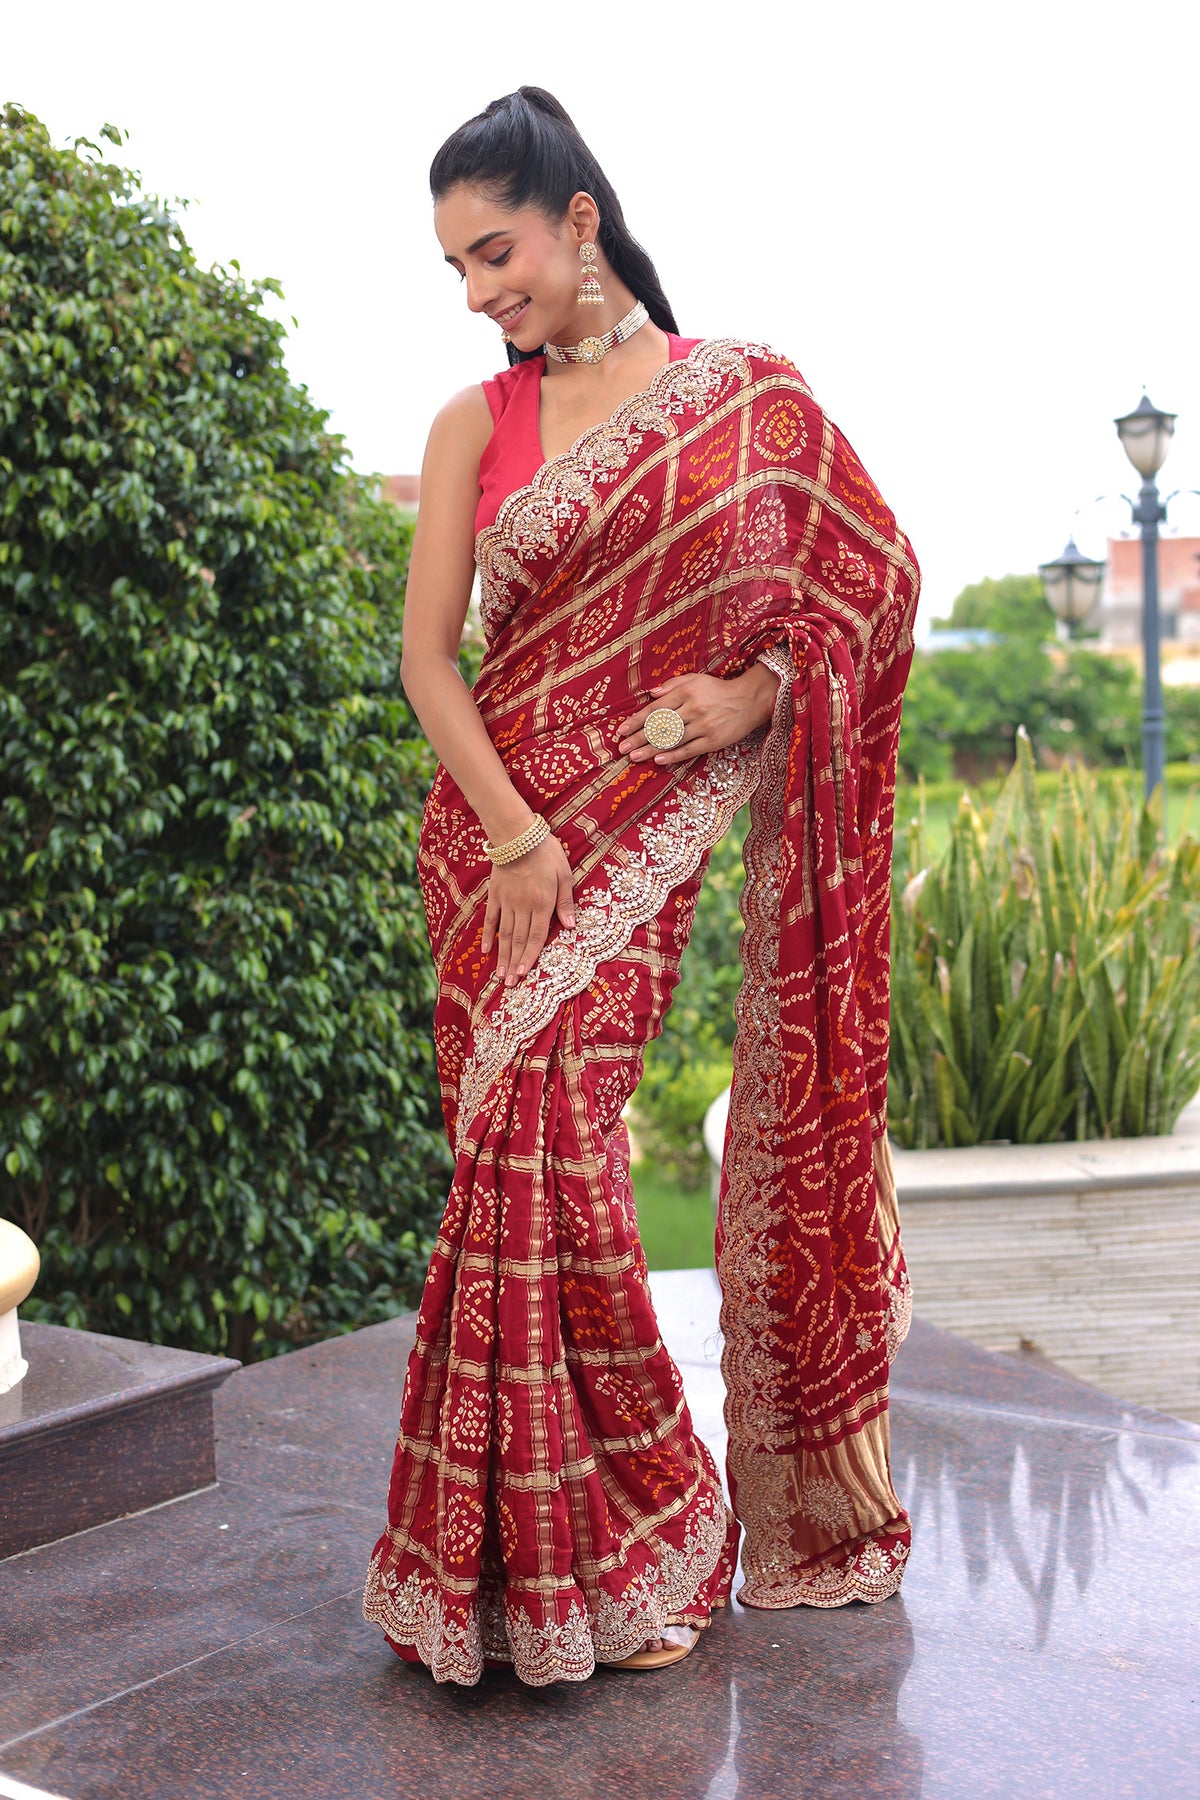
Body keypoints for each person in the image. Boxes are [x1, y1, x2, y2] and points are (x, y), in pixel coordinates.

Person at [362, 85, 920, 1688]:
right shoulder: (471, 424)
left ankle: (643, 1531)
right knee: (512, 1183)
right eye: (458, 268)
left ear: (579, 222)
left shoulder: (744, 400)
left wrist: (750, 700)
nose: (480, 291)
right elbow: (428, 662)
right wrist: (517, 836)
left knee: (572, 1168)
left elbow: (872, 585)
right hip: (495, 852)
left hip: (639, 842)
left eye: (497, 253)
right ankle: (506, 1575)